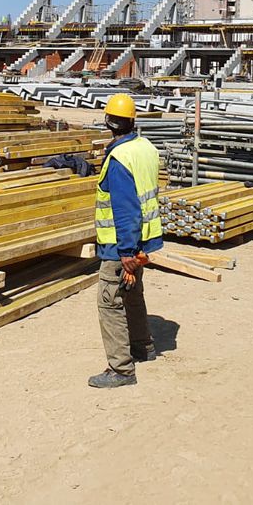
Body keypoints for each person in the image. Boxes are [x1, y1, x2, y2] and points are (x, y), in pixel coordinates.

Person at [88, 93, 164, 389]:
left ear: (108, 121)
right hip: (145, 240)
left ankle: (120, 369)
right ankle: (143, 346)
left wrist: (126, 252)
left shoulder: (119, 159)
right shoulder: (145, 147)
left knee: (110, 303)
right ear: (133, 120)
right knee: (133, 293)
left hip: (122, 245)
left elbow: (125, 209)